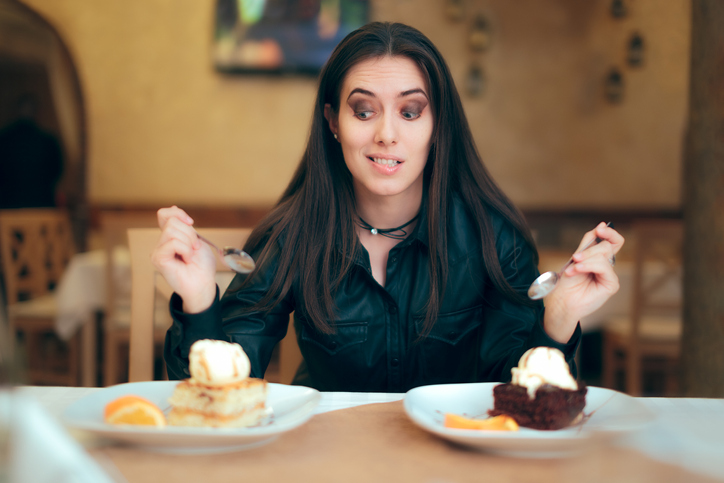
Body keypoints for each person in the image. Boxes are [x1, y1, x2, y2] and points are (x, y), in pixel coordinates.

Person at [153, 22, 624, 392]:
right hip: (330, 463)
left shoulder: (491, 234)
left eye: (410, 111)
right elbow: (218, 388)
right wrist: (199, 301)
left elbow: (522, 391)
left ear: (437, 124)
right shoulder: (293, 234)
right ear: (333, 122)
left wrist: (559, 320)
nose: (387, 134)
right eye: (363, 111)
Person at [0, 94, 64, 209]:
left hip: (10, 204)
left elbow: (56, 171)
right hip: (39, 203)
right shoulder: (48, 140)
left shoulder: (4, 139)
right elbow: (56, 170)